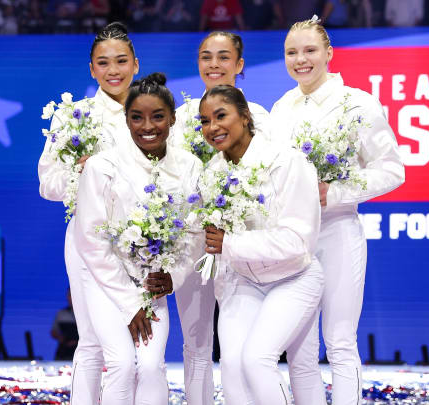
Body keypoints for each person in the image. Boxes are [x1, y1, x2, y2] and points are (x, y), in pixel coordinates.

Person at [270, 18, 405, 405]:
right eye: (292, 52)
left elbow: (392, 169)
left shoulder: (357, 103)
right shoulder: (282, 108)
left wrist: (336, 191)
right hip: (294, 239)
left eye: (310, 50)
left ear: (329, 53)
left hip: (338, 230)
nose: (301, 60)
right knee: (299, 346)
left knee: (340, 340)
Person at [73, 72, 203, 405]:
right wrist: (130, 304)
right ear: (126, 119)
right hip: (104, 282)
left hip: (151, 285)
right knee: (120, 363)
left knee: (149, 366)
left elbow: (195, 231)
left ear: (173, 118)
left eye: (158, 116)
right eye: (137, 117)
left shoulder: (189, 165)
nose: (148, 126)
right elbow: (90, 239)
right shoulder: (102, 166)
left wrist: (174, 276)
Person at [199, 85, 325, 405]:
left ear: (245, 116)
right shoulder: (212, 174)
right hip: (243, 280)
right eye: (204, 120)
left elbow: (298, 242)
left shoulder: (288, 162)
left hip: (294, 277)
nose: (212, 127)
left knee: (256, 359)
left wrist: (231, 243)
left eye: (221, 116)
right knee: (232, 368)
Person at [167, 30, 272, 405]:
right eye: (206, 56)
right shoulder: (180, 118)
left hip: (239, 246)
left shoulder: (259, 117)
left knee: (239, 346)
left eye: (224, 57)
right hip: (193, 243)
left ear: (239, 65)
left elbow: (267, 181)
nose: (214, 64)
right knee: (196, 343)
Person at [37, 21, 139, 405]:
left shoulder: (150, 113)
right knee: (93, 343)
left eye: (121, 60)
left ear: (135, 64)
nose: (113, 70)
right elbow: (47, 184)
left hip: (143, 244)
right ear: (91, 69)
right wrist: (80, 172)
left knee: (138, 351)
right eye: (103, 62)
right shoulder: (73, 116)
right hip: (86, 241)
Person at [51, 288, 79, 360]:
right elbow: (53, 331)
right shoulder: (61, 314)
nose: (71, 298)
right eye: (69, 295)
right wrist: (61, 338)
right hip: (64, 351)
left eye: (74, 295)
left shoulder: (87, 314)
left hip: (82, 351)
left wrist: (77, 341)